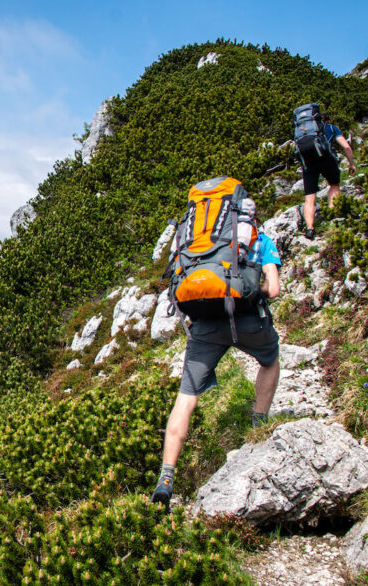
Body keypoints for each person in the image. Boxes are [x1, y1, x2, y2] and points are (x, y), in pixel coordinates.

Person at [151, 200, 281, 509]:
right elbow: (273, 290)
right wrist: (247, 291)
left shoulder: (195, 241)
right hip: (247, 319)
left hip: (204, 326)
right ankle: (257, 426)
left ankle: (166, 479)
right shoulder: (258, 239)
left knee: (186, 396)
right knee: (271, 359)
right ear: (248, 215)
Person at [300, 113, 357, 240]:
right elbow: (346, 146)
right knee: (334, 184)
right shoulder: (331, 128)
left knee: (309, 197)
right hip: (326, 160)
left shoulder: (302, 130)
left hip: (308, 163)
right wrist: (352, 164)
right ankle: (332, 216)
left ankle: (310, 229)